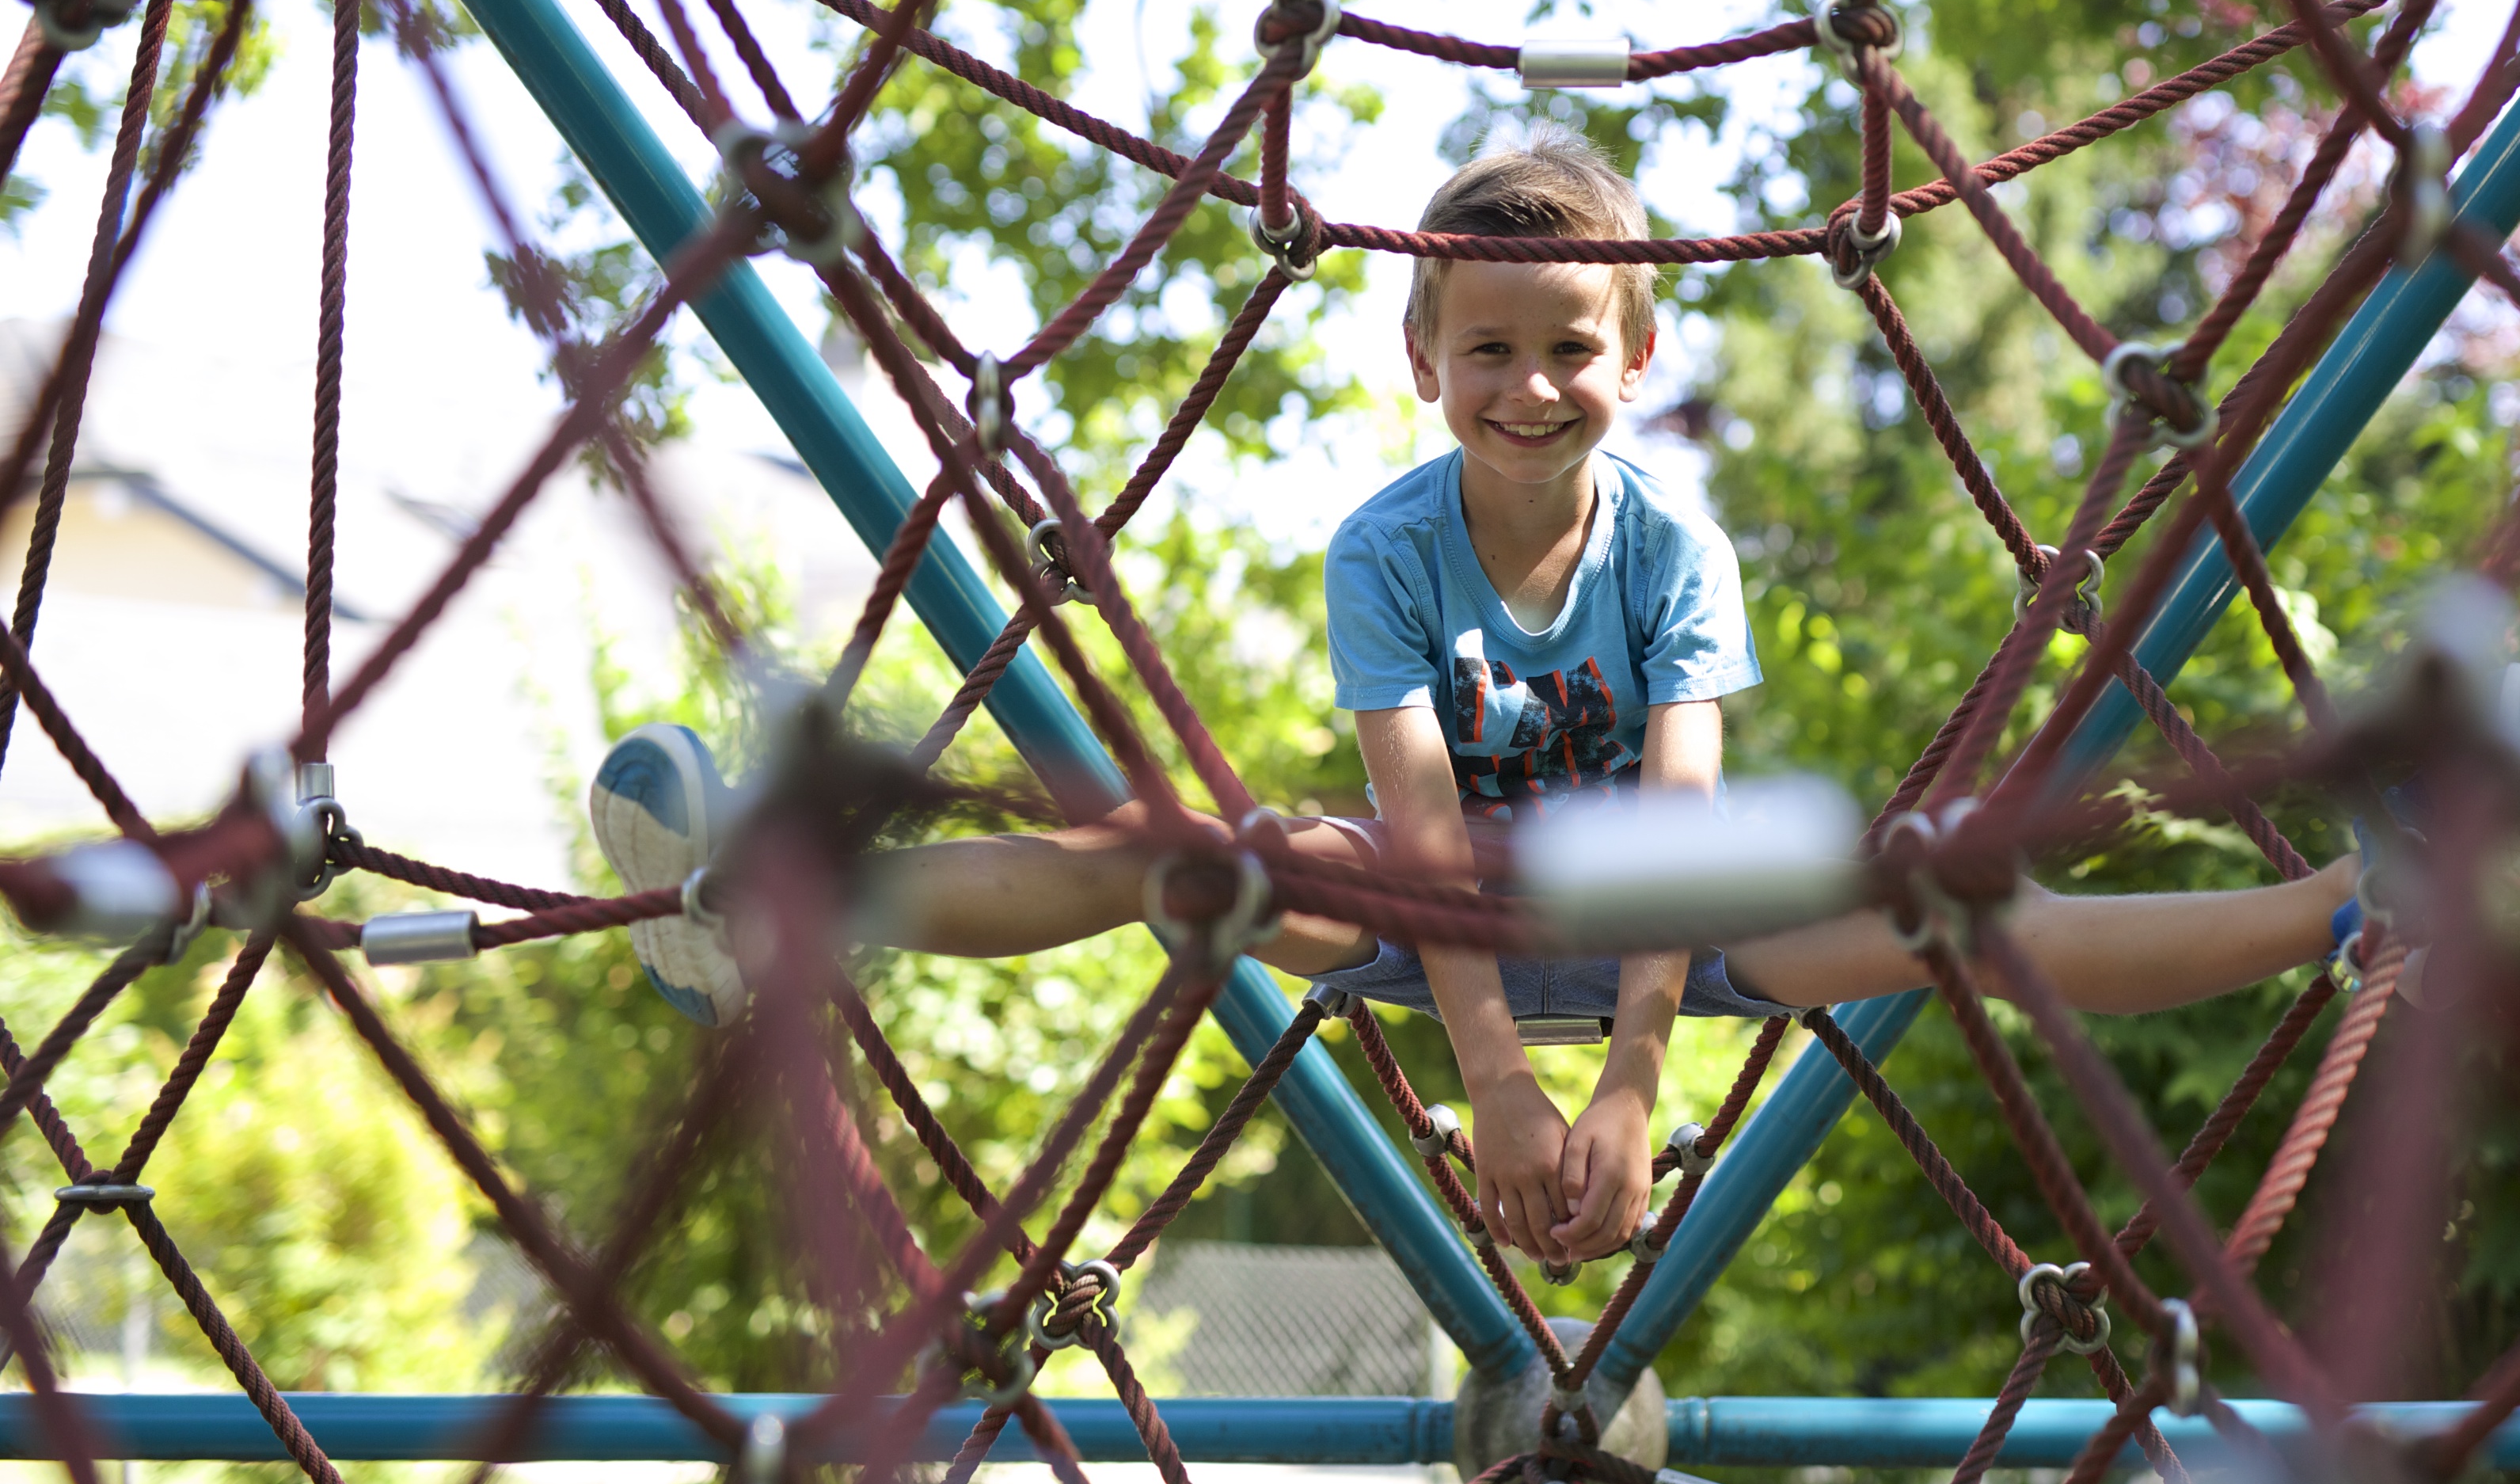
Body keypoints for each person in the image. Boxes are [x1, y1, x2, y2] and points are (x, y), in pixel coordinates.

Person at [590, 139, 2361, 1267]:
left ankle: (2344, 909)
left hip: (1681, 924)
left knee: (1964, 911)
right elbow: (1422, 824)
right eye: (1488, 349)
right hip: (1437, 911)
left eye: (1570, 345)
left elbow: (1678, 820)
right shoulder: (1385, 546)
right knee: (1188, 859)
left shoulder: (1674, 549)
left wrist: (1635, 1078)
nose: (1529, 385)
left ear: (1637, 355)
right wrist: (1496, 1074)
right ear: (1420, 360)